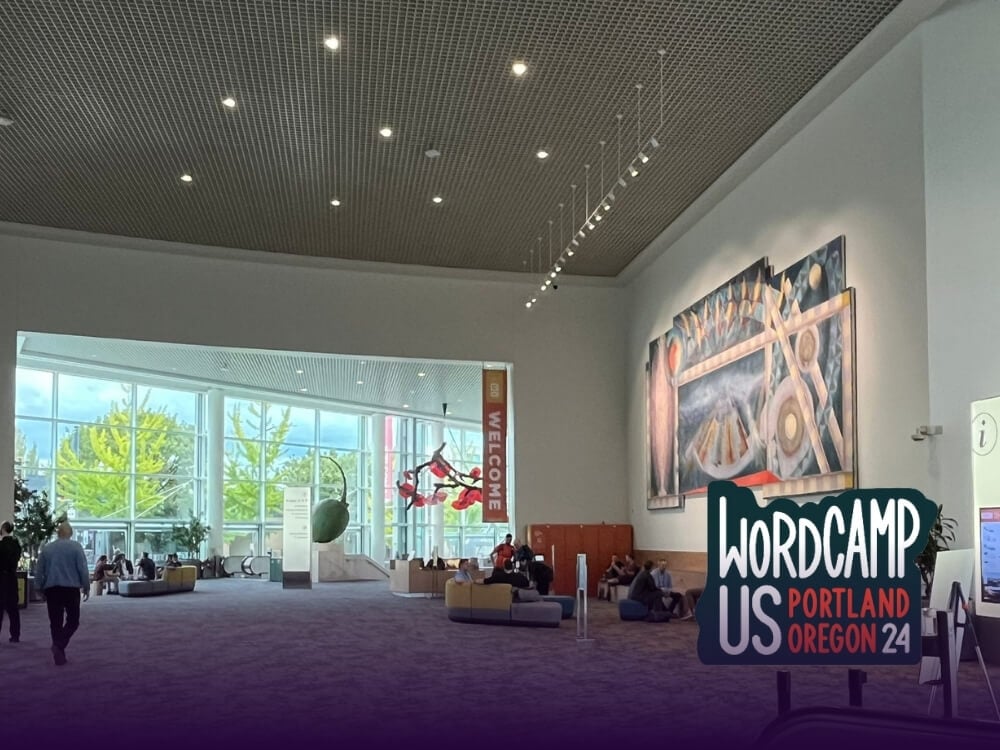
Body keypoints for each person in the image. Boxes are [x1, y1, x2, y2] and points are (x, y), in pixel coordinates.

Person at [33, 521, 90, 666]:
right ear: (70, 533)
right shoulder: (76, 547)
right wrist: (86, 586)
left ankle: (59, 650)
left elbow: (39, 571)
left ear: (58, 533)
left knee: (55, 622)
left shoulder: (47, 549)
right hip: (71, 589)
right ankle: (59, 646)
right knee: (73, 621)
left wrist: (37, 587)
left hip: (52, 590)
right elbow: (83, 569)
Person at [0, 521, 22, 643]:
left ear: (3, 529)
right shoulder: (16, 546)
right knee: (13, 609)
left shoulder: (1, 546)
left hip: (1, 579)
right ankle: (15, 635)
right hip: (12, 578)